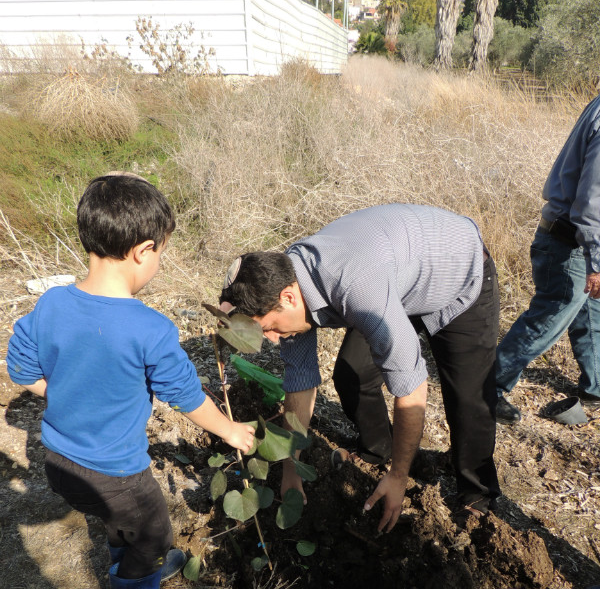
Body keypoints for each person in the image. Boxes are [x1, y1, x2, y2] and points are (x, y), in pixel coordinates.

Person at [6, 173, 255, 589]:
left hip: (60, 463)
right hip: (117, 473)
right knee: (154, 532)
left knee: (121, 525)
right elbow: (185, 396)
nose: (158, 261)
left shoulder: (53, 303)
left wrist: (62, 392)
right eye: (160, 251)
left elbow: (19, 368)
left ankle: (134, 566)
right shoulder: (150, 329)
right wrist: (231, 432)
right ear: (143, 250)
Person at [220, 204, 500, 532]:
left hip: (458, 271)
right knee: (351, 374)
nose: (268, 338)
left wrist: (399, 477)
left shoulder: (356, 288)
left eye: (268, 327)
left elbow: (412, 387)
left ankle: (477, 493)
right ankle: (377, 452)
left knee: (468, 397)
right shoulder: (287, 282)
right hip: (395, 278)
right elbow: (299, 379)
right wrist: (291, 470)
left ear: (289, 298)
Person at [495, 93, 600, 425]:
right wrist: (596, 262)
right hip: (569, 242)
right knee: (546, 320)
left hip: (573, 239)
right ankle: (486, 387)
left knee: (592, 316)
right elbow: (592, 204)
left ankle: (595, 385)